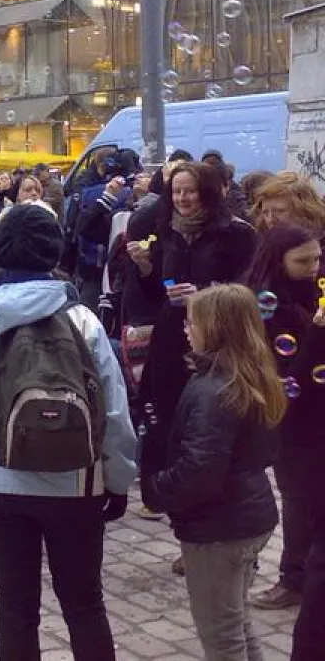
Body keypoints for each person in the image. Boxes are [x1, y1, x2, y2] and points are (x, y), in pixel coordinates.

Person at [0, 204, 137, 661]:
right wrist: (119, 479)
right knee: (85, 604)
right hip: (76, 481)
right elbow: (114, 409)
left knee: (15, 606)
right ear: (54, 250)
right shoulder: (82, 320)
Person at [141, 284, 284, 661]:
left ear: (215, 328)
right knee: (238, 622)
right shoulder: (249, 374)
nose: (186, 329)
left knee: (222, 635)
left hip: (220, 528)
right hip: (248, 516)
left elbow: (200, 472)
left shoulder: (214, 390)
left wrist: (155, 489)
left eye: (192, 322)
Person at [124, 162, 257, 485]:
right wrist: (144, 268)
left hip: (217, 336)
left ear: (207, 193)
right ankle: (169, 481)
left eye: (190, 191)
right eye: (176, 191)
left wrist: (203, 293)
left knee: (208, 412)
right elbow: (156, 291)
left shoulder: (236, 233)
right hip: (171, 335)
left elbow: (246, 288)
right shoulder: (167, 231)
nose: (182, 198)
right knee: (167, 411)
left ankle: (207, 477)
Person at [243, 224, 324, 616]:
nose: (313, 267)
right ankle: (293, 578)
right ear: (279, 261)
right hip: (293, 413)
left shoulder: (313, 289)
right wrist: (319, 332)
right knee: (298, 495)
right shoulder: (266, 306)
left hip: (318, 406)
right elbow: (290, 372)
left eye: (317, 258)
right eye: (303, 261)